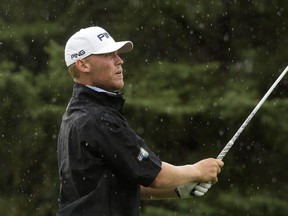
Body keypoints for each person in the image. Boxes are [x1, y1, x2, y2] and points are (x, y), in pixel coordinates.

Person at [57, 26, 224, 216]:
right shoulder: (97, 118)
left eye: (117, 54)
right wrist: (196, 171)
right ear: (83, 65)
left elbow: (120, 182)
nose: (119, 61)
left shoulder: (77, 113)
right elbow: (156, 175)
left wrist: (177, 189)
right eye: (108, 55)